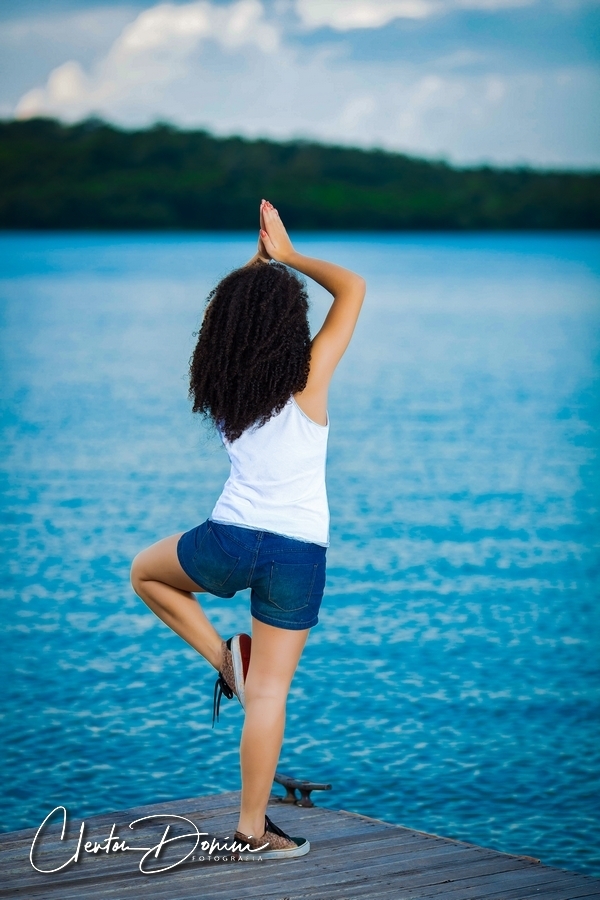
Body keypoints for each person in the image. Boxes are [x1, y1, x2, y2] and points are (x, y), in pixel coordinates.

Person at [130, 199, 366, 859]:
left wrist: (251, 271)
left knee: (145, 574)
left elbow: (221, 326)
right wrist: (285, 258)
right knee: (270, 696)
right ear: (291, 325)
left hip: (230, 541)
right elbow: (354, 287)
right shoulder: (309, 381)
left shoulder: (226, 389)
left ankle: (222, 658)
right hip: (297, 555)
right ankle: (250, 831)